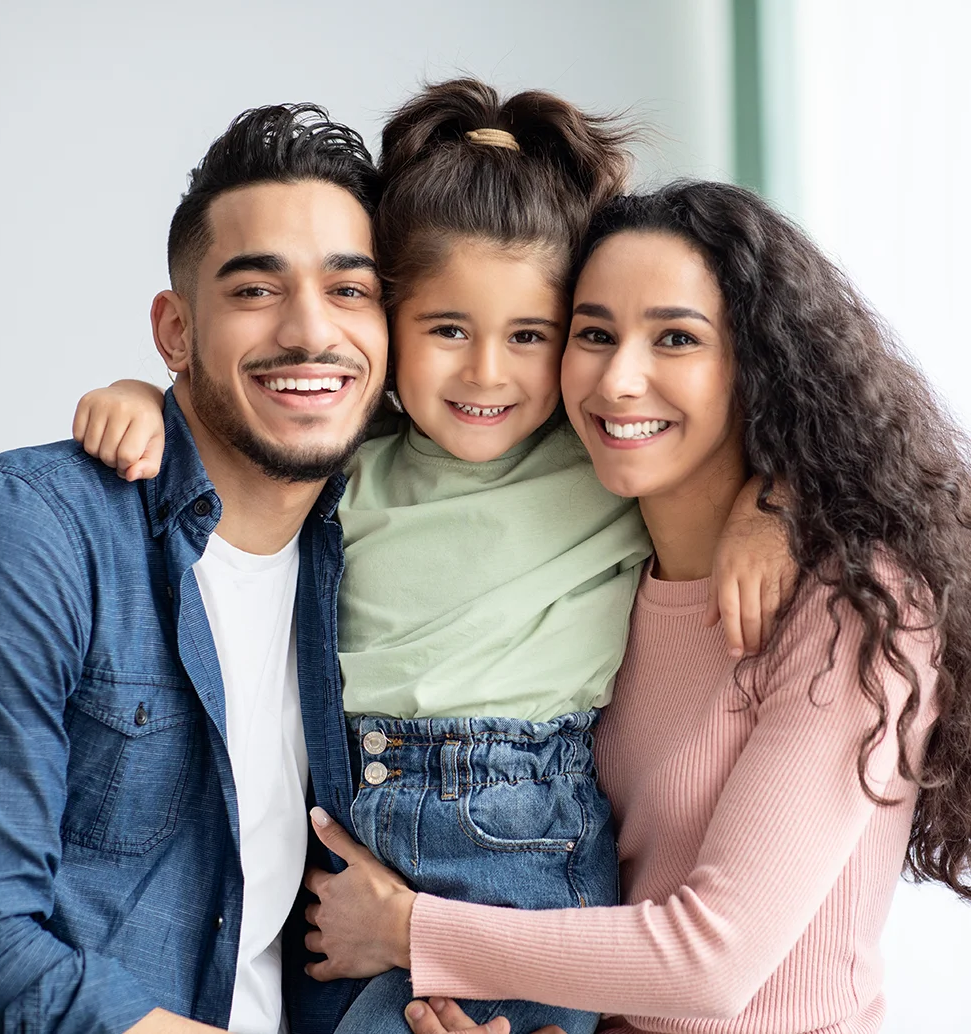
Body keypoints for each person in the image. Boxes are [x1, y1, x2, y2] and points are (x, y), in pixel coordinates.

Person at [73, 85, 792, 1034]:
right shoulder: (350, 458)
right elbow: (244, 415)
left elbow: (752, 446)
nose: (487, 372)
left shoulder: (593, 461)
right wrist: (140, 394)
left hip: (519, 850)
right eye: (448, 330)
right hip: (349, 836)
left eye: (530, 337)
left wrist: (776, 505)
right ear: (390, 324)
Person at [303, 181, 971, 1034]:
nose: (620, 379)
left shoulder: (856, 611)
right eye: (593, 334)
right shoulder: (603, 565)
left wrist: (407, 930)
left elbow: (712, 964)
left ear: (762, 366)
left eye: (676, 339)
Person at [0, 103, 389, 1034]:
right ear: (175, 331)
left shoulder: (377, 552)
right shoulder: (26, 537)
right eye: (257, 290)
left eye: (351, 291)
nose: (312, 332)